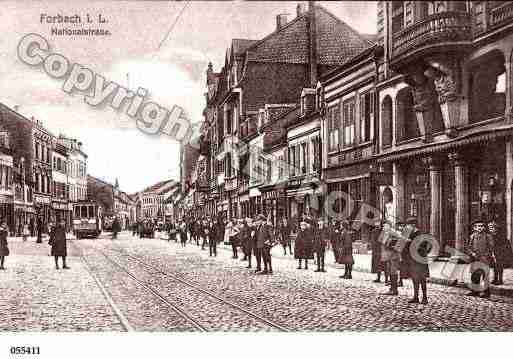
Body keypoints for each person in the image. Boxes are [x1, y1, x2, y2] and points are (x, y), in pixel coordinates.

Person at [403, 217, 430, 304]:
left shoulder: (421, 234)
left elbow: (425, 247)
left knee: (422, 279)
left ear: (413, 225)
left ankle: (425, 298)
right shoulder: (410, 234)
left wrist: (411, 242)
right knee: (414, 278)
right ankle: (416, 297)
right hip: (412, 260)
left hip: (420, 260)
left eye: (408, 226)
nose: (407, 228)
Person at [466, 219, 495, 298]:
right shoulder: (472, 236)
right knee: (474, 275)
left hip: (484, 258)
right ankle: (475, 291)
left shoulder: (487, 236)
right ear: (474, 228)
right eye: (478, 226)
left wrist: (486, 255)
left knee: (485, 275)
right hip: (474, 258)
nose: (480, 228)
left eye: (482, 226)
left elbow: (491, 247)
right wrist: (472, 253)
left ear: (484, 228)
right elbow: (469, 247)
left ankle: (486, 292)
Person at [489, 221, 512, 285]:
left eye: (491, 227)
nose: (490, 228)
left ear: (495, 228)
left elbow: (505, 244)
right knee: (494, 266)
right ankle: (495, 278)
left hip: (500, 253)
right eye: (489, 227)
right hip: (493, 252)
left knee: (499, 266)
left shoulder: (500, 235)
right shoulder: (490, 235)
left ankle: (500, 280)